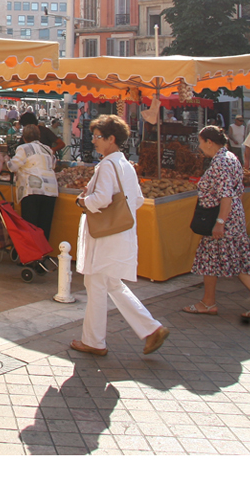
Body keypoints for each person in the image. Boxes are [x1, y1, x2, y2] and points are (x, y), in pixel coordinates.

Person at [71, 114, 170, 357]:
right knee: (111, 284)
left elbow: (102, 199)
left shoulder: (107, 165)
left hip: (104, 238)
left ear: (111, 139)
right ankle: (150, 329)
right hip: (119, 235)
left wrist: (83, 201)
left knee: (97, 284)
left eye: (97, 137)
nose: (93, 141)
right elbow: (135, 199)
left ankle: (95, 341)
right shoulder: (125, 165)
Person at [182, 126, 250, 317]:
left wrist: (220, 222)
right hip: (231, 216)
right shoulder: (230, 157)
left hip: (222, 217)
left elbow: (226, 195)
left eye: (201, 143)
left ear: (209, 142)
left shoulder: (221, 162)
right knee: (220, 259)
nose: (200, 147)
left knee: (223, 259)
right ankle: (211, 301)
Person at [8, 124, 59, 234]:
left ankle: (32, 251)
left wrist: (7, 160)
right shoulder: (47, 149)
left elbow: (13, 167)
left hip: (33, 189)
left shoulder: (23, 148)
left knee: (30, 226)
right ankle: (43, 249)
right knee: (44, 226)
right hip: (50, 190)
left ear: (24, 137)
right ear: (39, 136)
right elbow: (53, 165)